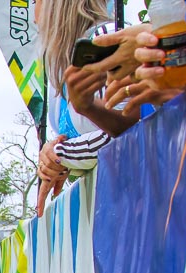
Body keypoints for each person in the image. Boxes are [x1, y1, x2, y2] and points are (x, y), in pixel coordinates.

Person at [34, 0, 141, 216]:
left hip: (139, 206)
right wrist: (57, 162)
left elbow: (133, 131)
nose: (32, 12)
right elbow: (82, 143)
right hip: (110, 211)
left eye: (35, 1)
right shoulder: (59, 65)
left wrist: (61, 154)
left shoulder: (106, 38)